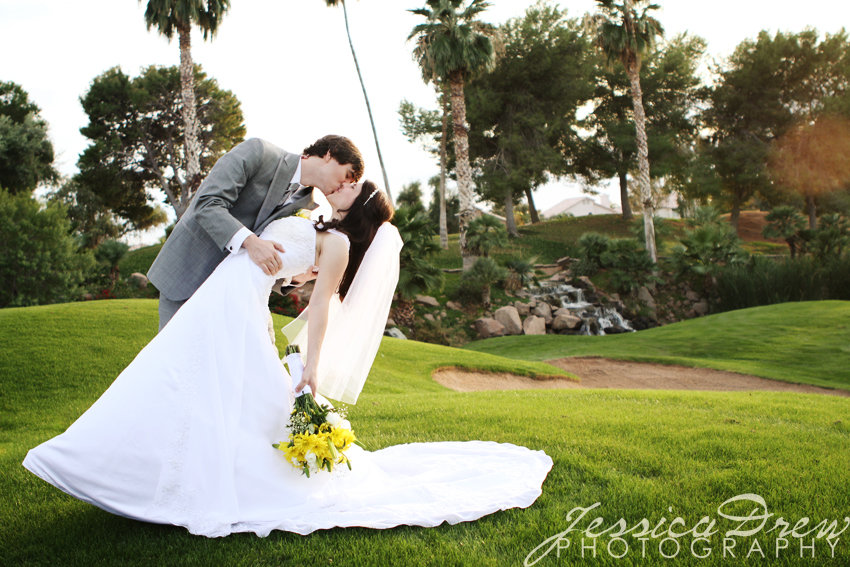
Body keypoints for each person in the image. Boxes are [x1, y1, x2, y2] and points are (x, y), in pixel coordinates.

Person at [23, 181, 552, 537]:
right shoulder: (312, 220)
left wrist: (313, 366)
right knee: (197, 384)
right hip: (232, 303)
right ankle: (129, 466)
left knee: (233, 393)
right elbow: (292, 264)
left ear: (355, 202)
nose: (339, 185)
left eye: (349, 184)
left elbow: (321, 310)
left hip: (239, 308)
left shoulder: (339, 242)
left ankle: (184, 479)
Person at [148, 135, 364, 331]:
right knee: (173, 366)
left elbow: (267, 252)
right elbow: (207, 204)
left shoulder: (306, 205)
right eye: (348, 175)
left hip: (231, 295)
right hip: (189, 272)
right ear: (329, 154)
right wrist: (250, 242)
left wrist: (294, 277)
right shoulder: (258, 152)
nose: (344, 185)